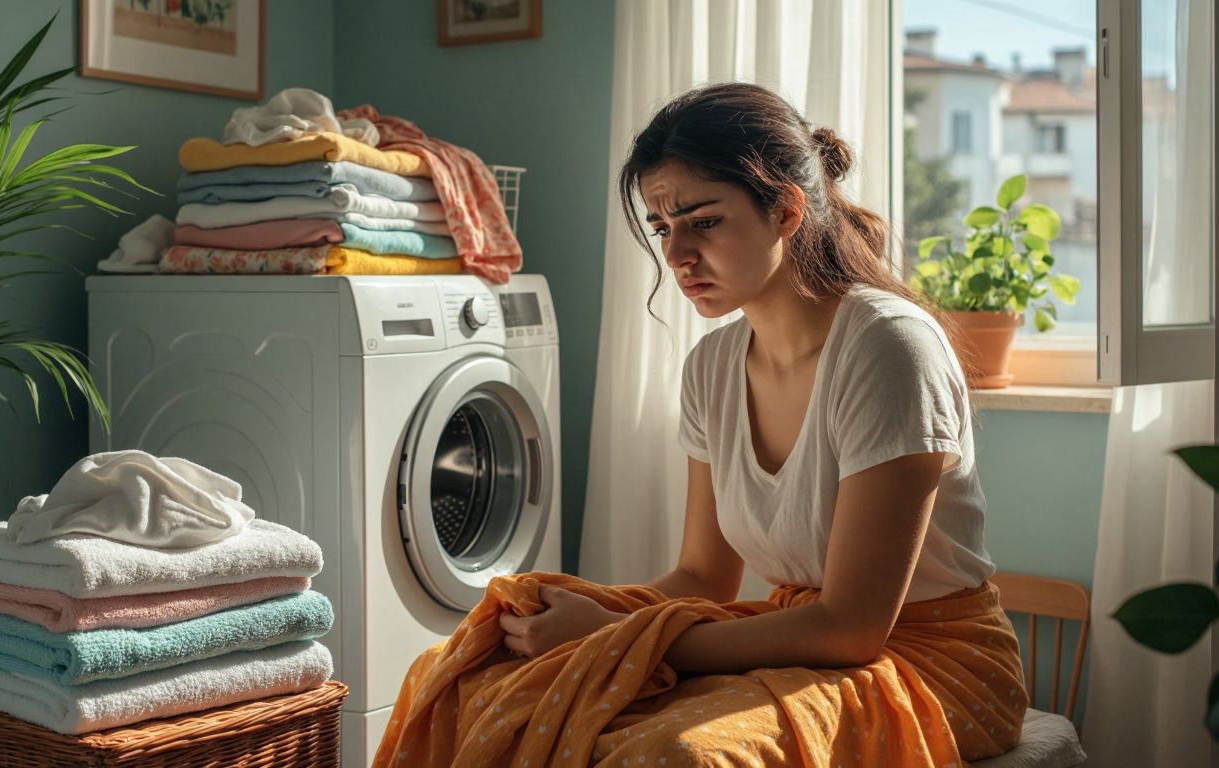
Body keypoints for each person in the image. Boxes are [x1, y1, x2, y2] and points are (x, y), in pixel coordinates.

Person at [374, 82, 1026, 768]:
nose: (677, 253)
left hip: (931, 665)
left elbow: (853, 629)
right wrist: (582, 617)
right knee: (474, 673)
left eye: (704, 221)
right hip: (796, 635)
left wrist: (617, 637)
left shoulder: (889, 347)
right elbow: (702, 577)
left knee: (674, 752)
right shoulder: (712, 366)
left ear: (786, 210)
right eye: (662, 227)